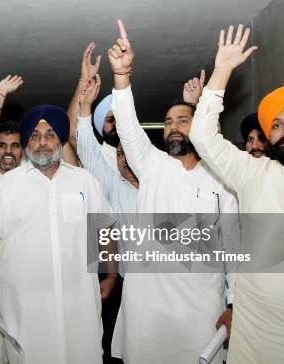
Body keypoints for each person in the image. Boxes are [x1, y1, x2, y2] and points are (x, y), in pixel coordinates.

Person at [188, 24, 284, 363]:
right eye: (277, 125)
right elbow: (203, 135)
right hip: (253, 341)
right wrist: (222, 71)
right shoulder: (252, 173)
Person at [106, 20, 239, 364]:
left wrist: (234, 302)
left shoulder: (222, 177)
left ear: (200, 128)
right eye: (167, 122)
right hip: (148, 305)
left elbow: (233, 243)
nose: (173, 127)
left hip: (201, 307)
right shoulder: (152, 164)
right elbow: (128, 125)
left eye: (183, 120)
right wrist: (122, 76)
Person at [0, 104, 117, 364]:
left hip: (79, 301)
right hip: (24, 305)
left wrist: (111, 273)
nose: (43, 142)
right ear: (27, 142)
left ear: (61, 140)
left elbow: (104, 226)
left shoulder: (84, 180)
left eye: (50, 134)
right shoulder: (9, 184)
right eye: (35, 136)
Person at [67, 43, 118, 170]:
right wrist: (84, 81)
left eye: (121, 118)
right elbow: (72, 133)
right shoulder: (97, 154)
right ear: (100, 127)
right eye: (111, 120)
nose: (117, 124)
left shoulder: (142, 151)